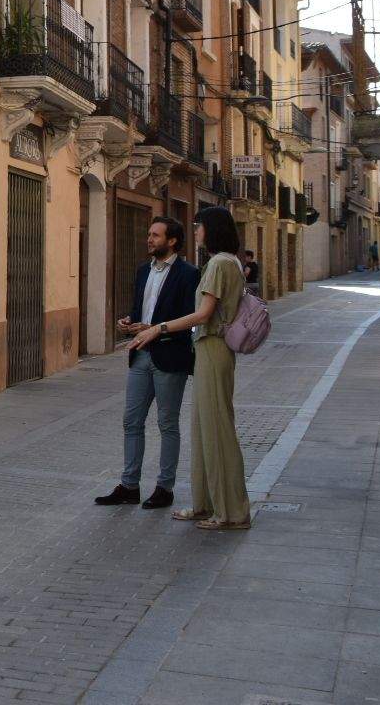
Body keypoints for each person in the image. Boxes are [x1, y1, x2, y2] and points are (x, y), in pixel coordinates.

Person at [128, 205, 250, 530]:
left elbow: (202, 314)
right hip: (208, 350)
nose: (196, 232)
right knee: (202, 429)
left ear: (211, 229)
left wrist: (158, 328)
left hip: (213, 348)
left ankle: (230, 512)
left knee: (217, 430)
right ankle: (203, 504)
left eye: (199, 227)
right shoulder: (228, 263)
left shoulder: (218, 264)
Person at [94, 217, 199, 511]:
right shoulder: (143, 271)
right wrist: (130, 322)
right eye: (149, 234)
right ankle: (129, 485)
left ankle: (164, 488)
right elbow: (139, 309)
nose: (149, 239)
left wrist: (155, 327)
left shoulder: (189, 274)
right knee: (131, 421)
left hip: (169, 357)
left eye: (155, 235)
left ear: (172, 241)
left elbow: (191, 317)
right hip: (141, 355)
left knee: (167, 424)